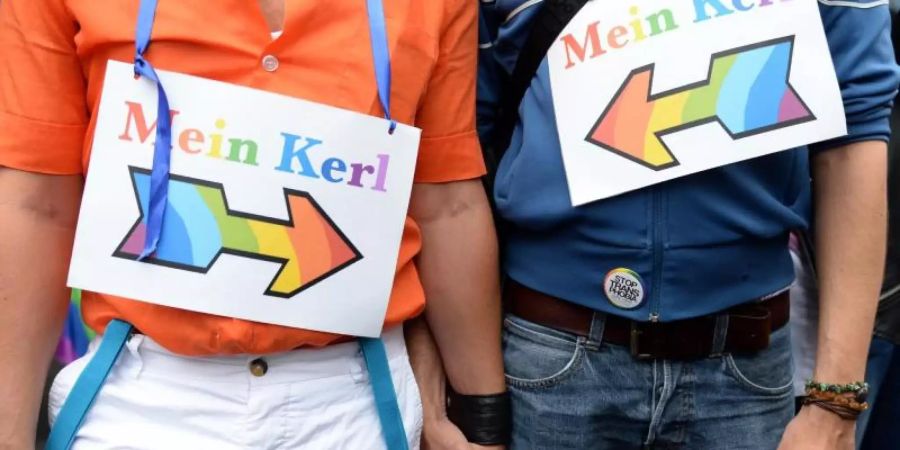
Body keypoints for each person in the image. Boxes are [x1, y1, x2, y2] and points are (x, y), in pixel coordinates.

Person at [0, 0, 508, 449]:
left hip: (354, 396)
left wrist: (484, 421)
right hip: (143, 387)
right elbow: (37, 203)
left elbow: (446, 201)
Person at [478, 0, 899, 448]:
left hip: (744, 362)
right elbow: (457, 157)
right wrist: (474, 397)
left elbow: (855, 132)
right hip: (551, 350)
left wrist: (835, 400)